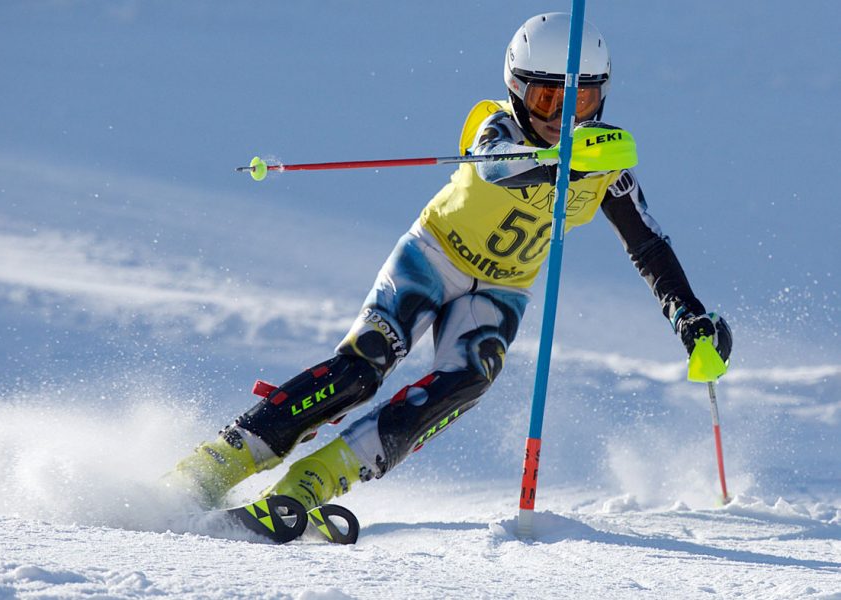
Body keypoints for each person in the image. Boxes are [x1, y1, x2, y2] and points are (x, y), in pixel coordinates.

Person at [166, 12, 733, 512]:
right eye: (545, 100)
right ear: (516, 90)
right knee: (363, 367)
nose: (561, 119)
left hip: (500, 292)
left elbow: (650, 246)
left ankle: (315, 479)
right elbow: (494, 164)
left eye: (578, 101)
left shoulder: (607, 164)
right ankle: (225, 458)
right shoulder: (495, 124)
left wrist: (690, 318)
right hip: (431, 259)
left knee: (472, 373)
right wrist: (564, 166)